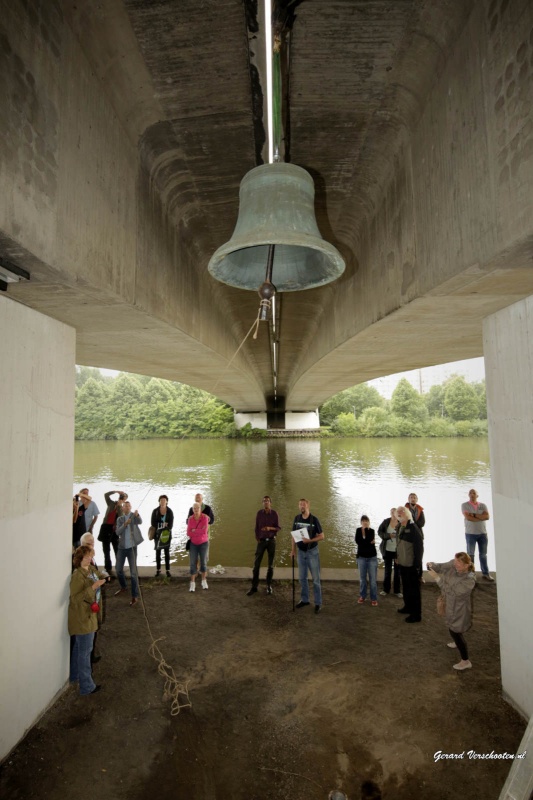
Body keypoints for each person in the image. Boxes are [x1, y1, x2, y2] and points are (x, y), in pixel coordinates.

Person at [427, 553, 476, 671]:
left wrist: (437, 578)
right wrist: (432, 565)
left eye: (459, 563)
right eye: (455, 561)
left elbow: (452, 592)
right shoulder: (454, 564)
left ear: (466, 565)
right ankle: (456, 641)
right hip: (450, 605)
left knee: (454, 630)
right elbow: (441, 566)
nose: (455, 564)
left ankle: (465, 661)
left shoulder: (469, 580)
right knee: (452, 626)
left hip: (459, 609)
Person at [69, 545, 107, 695]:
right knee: (85, 652)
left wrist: (104, 576)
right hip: (82, 618)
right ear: (79, 559)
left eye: (90, 556)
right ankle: (86, 686)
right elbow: (75, 598)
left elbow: (99, 573)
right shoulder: (77, 576)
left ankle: (74, 676)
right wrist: (93, 587)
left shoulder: (90, 570)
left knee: (79, 649)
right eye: (86, 557)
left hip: (89, 616)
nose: (89, 559)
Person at [291, 499, 324, 614]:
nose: (302, 506)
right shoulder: (297, 519)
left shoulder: (314, 520)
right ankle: (305, 599)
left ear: (308, 505)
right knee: (302, 578)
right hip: (300, 552)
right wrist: (293, 550)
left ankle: (318, 603)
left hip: (312, 552)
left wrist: (310, 540)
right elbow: (293, 536)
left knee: (316, 579)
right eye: (300, 504)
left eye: (304, 504)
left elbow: (322, 536)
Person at [247, 495, 281, 596]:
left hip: (271, 541)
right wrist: (257, 537)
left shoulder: (274, 514)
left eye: (268, 501)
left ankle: (269, 586)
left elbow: (278, 528)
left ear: (270, 503)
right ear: (263, 503)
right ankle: (254, 587)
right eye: (264, 501)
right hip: (261, 541)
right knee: (256, 565)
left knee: (270, 566)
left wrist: (269, 528)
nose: (266, 502)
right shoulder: (259, 513)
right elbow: (257, 527)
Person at [396, 506, 424, 623]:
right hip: (402, 563)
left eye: (401, 512)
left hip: (412, 565)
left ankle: (416, 615)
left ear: (407, 513)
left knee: (414, 591)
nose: (399, 514)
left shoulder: (413, 528)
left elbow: (419, 549)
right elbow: (399, 544)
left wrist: (417, 566)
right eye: (398, 513)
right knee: (406, 588)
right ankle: (407, 607)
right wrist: (397, 558)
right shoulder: (400, 527)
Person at [461, 489, 494, 581]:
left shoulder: (482, 505)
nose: (472, 494)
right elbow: (468, 517)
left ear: (477, 495)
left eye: (474, 493)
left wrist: (474, 515)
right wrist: (480, 517)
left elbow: (487, 517)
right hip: (470, 534)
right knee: (470, 555)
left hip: (483, 533)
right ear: (468, 495)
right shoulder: (465, 505)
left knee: (483, 554)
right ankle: (471, 575)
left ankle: (486, 573)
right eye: (470, 493)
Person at [114, 502, 143, 606]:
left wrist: (137, 515)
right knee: (118, 569)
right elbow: (117, 532)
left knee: (133, 573)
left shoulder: (133, 516)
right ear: (123, 508)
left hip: (132, 548)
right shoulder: (120, 519)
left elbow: (140, 522)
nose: (127, 507)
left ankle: (135, 596)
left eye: (128, 506)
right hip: (122, 548)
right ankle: (123, 587)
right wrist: (125, 524)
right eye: (125, 506)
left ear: (130, 507)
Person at [98, 490, 127, 575]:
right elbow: (106, 495)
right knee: (106, 550)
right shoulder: (111, 503)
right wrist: (115, 491)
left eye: (124, 498)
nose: (122, 499)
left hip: (114, 531)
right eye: (121, 497)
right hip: (106, 528)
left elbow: (121, 517)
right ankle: (108, 568)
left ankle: (119, 568)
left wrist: (119, 506)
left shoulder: (122, 508)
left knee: (117, 550)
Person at [378, 508, 402, 598]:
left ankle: (397, 591)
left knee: (397, 572)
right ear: (390, 513)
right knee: (387, 571)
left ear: (397, 513)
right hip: (387, 550)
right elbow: (379, 532)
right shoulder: (386, 521)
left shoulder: (401, 523)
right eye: (391, 512)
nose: (392, 513)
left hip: (397, 551)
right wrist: (388, 536)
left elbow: (404, 536)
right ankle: (386, 590)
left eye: (394, 512)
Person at [186, 502, 210, 592]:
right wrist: (198, 530)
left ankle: (204, 581)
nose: (196, 510)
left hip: (203, 543)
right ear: (193, 510)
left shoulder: (205, 518)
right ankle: (192, 583)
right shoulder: (190, 519)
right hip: (193, 544)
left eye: (197, 508)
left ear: (200, 509)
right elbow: (188, 533)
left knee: (203, 562)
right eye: (194, 508)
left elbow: (204, 532)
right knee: (192, 563)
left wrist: (194, 530)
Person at [355, 515, 379, 606]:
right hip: (361, 558)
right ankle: (362, 596)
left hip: (372, 558)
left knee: (373, 580)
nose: (365, 522)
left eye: (367, 521)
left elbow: (366, 542)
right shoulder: (358, 530)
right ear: (361, 522)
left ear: (369, 522)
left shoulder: (371, 531)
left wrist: (367, 540)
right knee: (362, 579)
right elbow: (358, 542)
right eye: (363, 521)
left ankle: (374, 598)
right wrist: (368, 542)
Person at [152, 494, 174, 578]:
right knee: (158, 552)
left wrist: (165, 526)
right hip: (157, 534)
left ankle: (168, 570)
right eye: (161, 500)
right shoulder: (155, 511)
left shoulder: (170, 511)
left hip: (166, 535)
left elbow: (171, 525)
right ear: (159, 501)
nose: (163, 501)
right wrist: (163, 524)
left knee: (166, 552)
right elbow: (153, 523)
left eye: (164, 500)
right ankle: (158, 570)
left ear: (167, 501)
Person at [406, 493, 425, 581]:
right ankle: (410, 575)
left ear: (417, 500)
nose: (413, 499)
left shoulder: (420, 511)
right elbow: (405, 521)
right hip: (408, 536)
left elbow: (422, 523)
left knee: (419, 555)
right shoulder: (405, 510)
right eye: (411, 498)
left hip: (419, 535)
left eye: (414, 498)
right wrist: (413, 524)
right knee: (409, 556)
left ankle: (420, 576)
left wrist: (413, 524)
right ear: (408, 499)